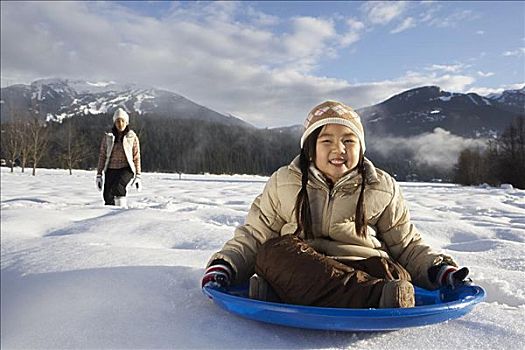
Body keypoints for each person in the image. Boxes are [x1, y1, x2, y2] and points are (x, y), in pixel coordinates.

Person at [202, 100, 470, 309]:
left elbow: (406, 244)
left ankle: (286, 295)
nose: (338, 149)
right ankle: (375, 298)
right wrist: (226, 264)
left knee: (394, 273)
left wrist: (438, 268)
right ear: (310, 147)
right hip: (302, 265)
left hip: (366, 267)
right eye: (327, 140)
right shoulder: (284, 181)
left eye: (348, 140)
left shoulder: (382, 186)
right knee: (273, 251)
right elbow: (255, 235)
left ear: (361, 147)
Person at [96, 107, 142, 207]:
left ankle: (120, 214)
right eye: (117, 121)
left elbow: (136, 156)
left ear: (126, 122)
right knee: (107, 196)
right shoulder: (108, 137)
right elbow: (102, 156)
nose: (120, 124)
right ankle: (108, 218)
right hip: (111, 169)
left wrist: (138, 175)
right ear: (114, 123)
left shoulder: (132, 137)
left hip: (126, 169)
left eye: (122, 121)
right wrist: (99, 174)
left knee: (118, 187)